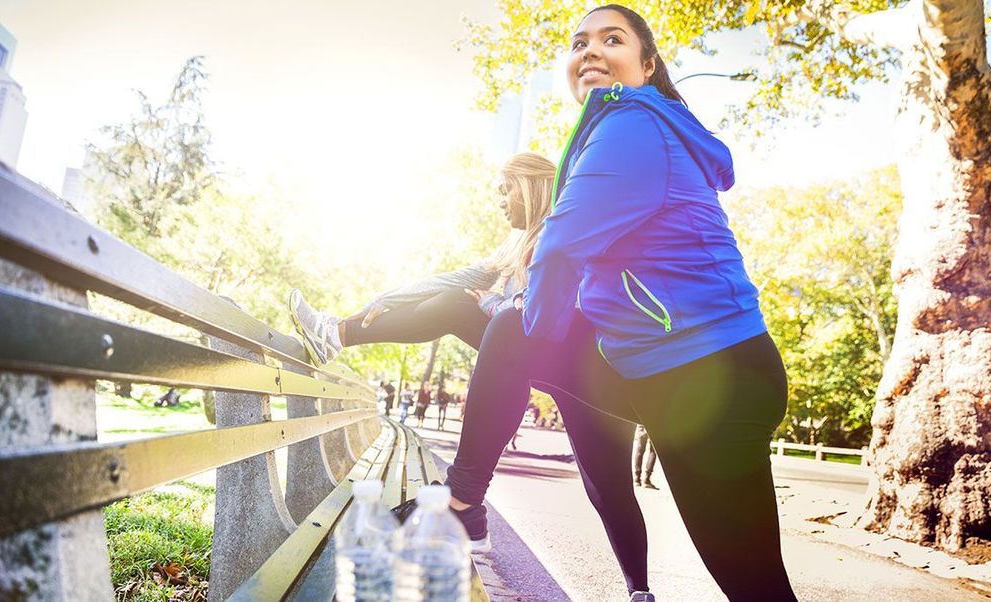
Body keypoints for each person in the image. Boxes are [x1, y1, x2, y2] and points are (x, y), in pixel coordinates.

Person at [440, 6, 796, 601]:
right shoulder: (635, 124)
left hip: (710, 373)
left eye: (613, 39)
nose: (592, 51)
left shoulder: (630, 124)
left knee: (756, 587)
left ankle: (460, 506)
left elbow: (558, 247)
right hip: (673, 370)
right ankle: (460, 504)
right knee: (755, 585)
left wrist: (545, 339)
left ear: (647, 64)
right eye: (580, 43)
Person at [288, 153, 652, 595]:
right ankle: (337, 334)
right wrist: (388, 298)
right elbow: (452, 281)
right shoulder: (514, 247)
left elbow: (540, 312)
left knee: (609, 491)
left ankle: (639, 591)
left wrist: (493, 305)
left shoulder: (567, 228)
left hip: (591, 374)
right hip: (538, 354)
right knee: (459, 305)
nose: (499, 200)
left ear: (532, 186)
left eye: (506, 189)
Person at [632, 425, 657, 489]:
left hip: (642, 423)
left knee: (640, 450)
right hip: (655, 422)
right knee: (653, 450)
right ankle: (646, 479)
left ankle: (637, 479)